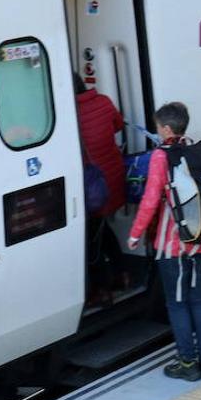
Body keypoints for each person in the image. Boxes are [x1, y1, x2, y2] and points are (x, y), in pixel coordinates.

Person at [127, 102, 201, 381]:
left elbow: (151, 199)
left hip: (174, 244)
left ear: (166, 129)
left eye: (158, 127)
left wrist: (135, 234)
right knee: (200, 300)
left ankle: (188, 364)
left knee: (178, 304)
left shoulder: (160, 157)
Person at [75, 73, 127, 303]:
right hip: (113, 177)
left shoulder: (68, 113)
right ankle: (121, 273)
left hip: (92, 187)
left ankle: (101, 289)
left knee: (91, 239)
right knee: (100, 229)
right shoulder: (104, 101)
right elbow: (117, 125)